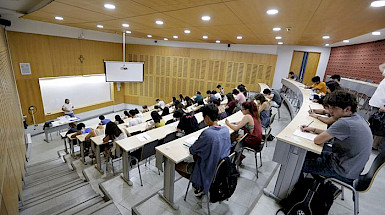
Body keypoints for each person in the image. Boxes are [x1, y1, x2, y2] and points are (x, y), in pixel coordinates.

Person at [300, 90, 372, 184]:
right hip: (350, 168)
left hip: (341, 171)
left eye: (334, 108)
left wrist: (316, 132)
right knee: (307, 153)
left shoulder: (344, 123)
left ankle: (302, 190)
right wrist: (313, 129)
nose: (330, 111)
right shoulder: (356, 118)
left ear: (347, 109)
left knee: (298, 163)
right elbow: (333, 133)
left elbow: (317, 140)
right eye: (329, 107)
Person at [175, 104, 231, 196]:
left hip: (207, 168)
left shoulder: (207, 134)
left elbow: (192, 150)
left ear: (207, 117)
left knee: (176, 165)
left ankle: (198, 186)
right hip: (221, 168)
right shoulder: (225, 130)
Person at [369, 62, 385, 150]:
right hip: (376, 103)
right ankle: (369, 142)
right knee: (373, 123)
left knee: (381, 127)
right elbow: (381, 66)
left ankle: (374, 145)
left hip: (383, 105)